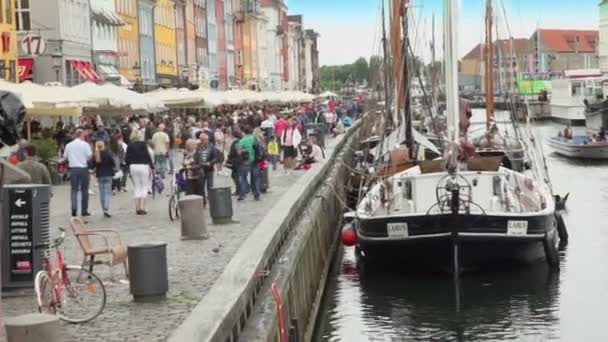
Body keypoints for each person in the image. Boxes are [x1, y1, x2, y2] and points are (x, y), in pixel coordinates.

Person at [63, 129, 93, 217]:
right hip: (83, 169)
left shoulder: (69, 145)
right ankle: (84, 210)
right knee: (84, 190)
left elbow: (65, 157)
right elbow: (89, 156)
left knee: (74, 190)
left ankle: (74, 210)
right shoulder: (85, 144)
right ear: (81, 135)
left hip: (73, 169)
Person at [125, 130, 154, 215]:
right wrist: (152, 167)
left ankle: (137, 207)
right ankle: (142, 207)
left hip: (133, 166)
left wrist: (129, 165)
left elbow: (126, 158)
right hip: (143, 166)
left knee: (137, 186)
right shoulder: (143, 144)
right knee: (144, 186)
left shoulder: (129, 145)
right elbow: (147, 156)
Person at [193, 132, 219, 206]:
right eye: (203, 140)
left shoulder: (211, 146)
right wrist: (197, 164)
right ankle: (203, 201)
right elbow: (195, 157)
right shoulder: (197, 147)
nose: (205, 141)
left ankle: (211, 200)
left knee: (210, 186)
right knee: (201, 186)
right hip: (200, 169)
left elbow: (216, 158)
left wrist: (210, 163)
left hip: (209, 169)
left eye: (206, 139)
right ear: (200, 140)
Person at [238, 124, 260, 201]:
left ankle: (242, 194)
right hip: (255, 161)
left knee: (243, 178)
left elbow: (239, 152)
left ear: (243, 132)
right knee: (255, 178)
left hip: (245, 162)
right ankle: (256, 193)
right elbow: (259, 148)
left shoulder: (241, 140)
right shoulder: (254, 138)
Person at [93, 141, 115, 218]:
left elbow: (93, 164)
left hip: (100, 175)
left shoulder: (96, 155)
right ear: (103, 146)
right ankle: (106, 207)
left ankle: (103, 208)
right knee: (107, 192)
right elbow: (113, 163)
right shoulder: (107, 153)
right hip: (108, 174)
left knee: (102, 193)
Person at [226, 126, 243, 195]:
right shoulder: (241, 140)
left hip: (236, 161)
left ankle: (239, 190)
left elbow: (232, 152)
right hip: (240, 160)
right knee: (238, 175)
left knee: (235, 175)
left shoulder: (235, 142)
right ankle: (240, 189)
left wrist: (228, 158)